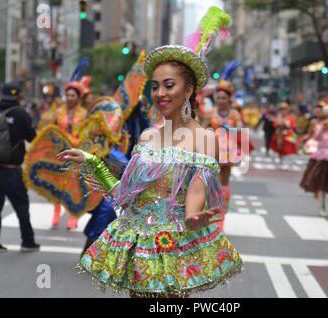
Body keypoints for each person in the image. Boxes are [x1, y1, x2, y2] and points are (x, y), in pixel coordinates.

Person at [58, 6, 242, 297]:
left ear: (190, 89)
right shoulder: (147, 136)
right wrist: (92, 162)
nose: (160, 93)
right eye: (155, 86)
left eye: (169, 85)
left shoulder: (204, 138)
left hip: (173, 244)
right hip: (137, 242)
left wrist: (193, 216)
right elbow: (124, 197)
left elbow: (197, 188)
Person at [0, 83, 40, 253]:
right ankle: (27, 241)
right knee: (21, 206)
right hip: (11, 169)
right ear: (19, 96)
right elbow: (33, 139)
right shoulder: (21, 114)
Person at [207, 80, 243, 231]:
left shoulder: (234, 113)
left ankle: (221, 215)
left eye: (223, 98)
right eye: (218, 98)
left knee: (224, 184)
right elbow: (203, 126)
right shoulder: (211, 112)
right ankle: (211, 213)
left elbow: (241, 130)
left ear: (229, 99)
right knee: (211, 182)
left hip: (228, 150)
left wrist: (229, 127)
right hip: (213, 149)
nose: (221, 100)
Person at [51, 82, 87, 229]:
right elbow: (52, 130)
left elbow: (86, 133)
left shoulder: (84, 114)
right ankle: (56, 213)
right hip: (60, 152)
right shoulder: (58, 112)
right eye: (68, 95)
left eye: (73, 95)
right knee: (58, 184)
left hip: (76, 153)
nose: (70, 98)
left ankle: (73, 216)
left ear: (78, 97)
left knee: (75, 185)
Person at [270, 102, 297, 167]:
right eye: (282, 109)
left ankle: (286, 162)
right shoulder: (278, 117)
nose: (283, 111)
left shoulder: (291, 117)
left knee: (287, 150)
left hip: (288, 136)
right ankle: (282, 161)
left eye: (285, 109)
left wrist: (286, 125)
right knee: (280, 149)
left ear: (287, 110)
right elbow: (275, 125)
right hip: (279, 135)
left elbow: (293, 126)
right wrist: (280, 123)